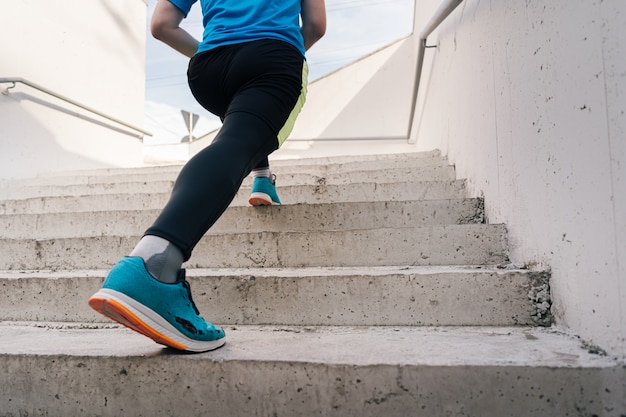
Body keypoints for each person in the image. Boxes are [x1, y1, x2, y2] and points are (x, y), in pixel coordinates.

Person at [88, 0, 326, 352]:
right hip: (272, 54)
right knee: (241, 136)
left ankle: (262, 176)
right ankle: (154, 265)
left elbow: (162, 24)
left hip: (210, 69)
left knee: (241, 130)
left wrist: (213, 51)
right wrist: (275, 50)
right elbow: (316, 25)